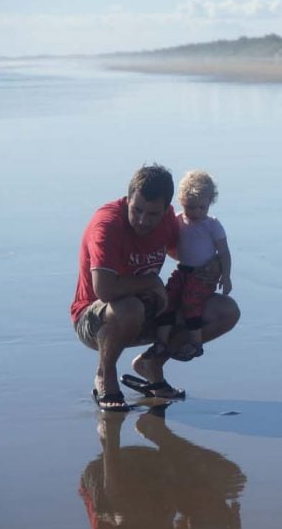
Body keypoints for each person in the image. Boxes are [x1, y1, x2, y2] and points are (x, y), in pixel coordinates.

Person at [71, 164, 240, 410]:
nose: (142, 220)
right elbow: (104, 291)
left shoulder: (169, 221)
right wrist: (151, 282)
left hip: (152, 309)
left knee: (226, 311)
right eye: (137, 209)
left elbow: (180, 252)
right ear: (127, 198)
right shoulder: (107, 225)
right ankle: (105, 377)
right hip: (96, 319)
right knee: (129, 308)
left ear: (167, 210)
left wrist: (210, 268)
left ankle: (152, 364)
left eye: (152, 214)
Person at [150, 170, 232, 362]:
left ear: (210, 203)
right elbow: (169, 244)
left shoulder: (212, 226)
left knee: (190, 301)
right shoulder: (178, 220)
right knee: (167, 298)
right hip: (183, 270)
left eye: (201, 208)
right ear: (181, 201)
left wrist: (226, 276)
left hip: (204, 274)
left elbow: (224, 252)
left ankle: (196, 343)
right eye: (190, 207)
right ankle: (161, 342)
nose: (195, 213)